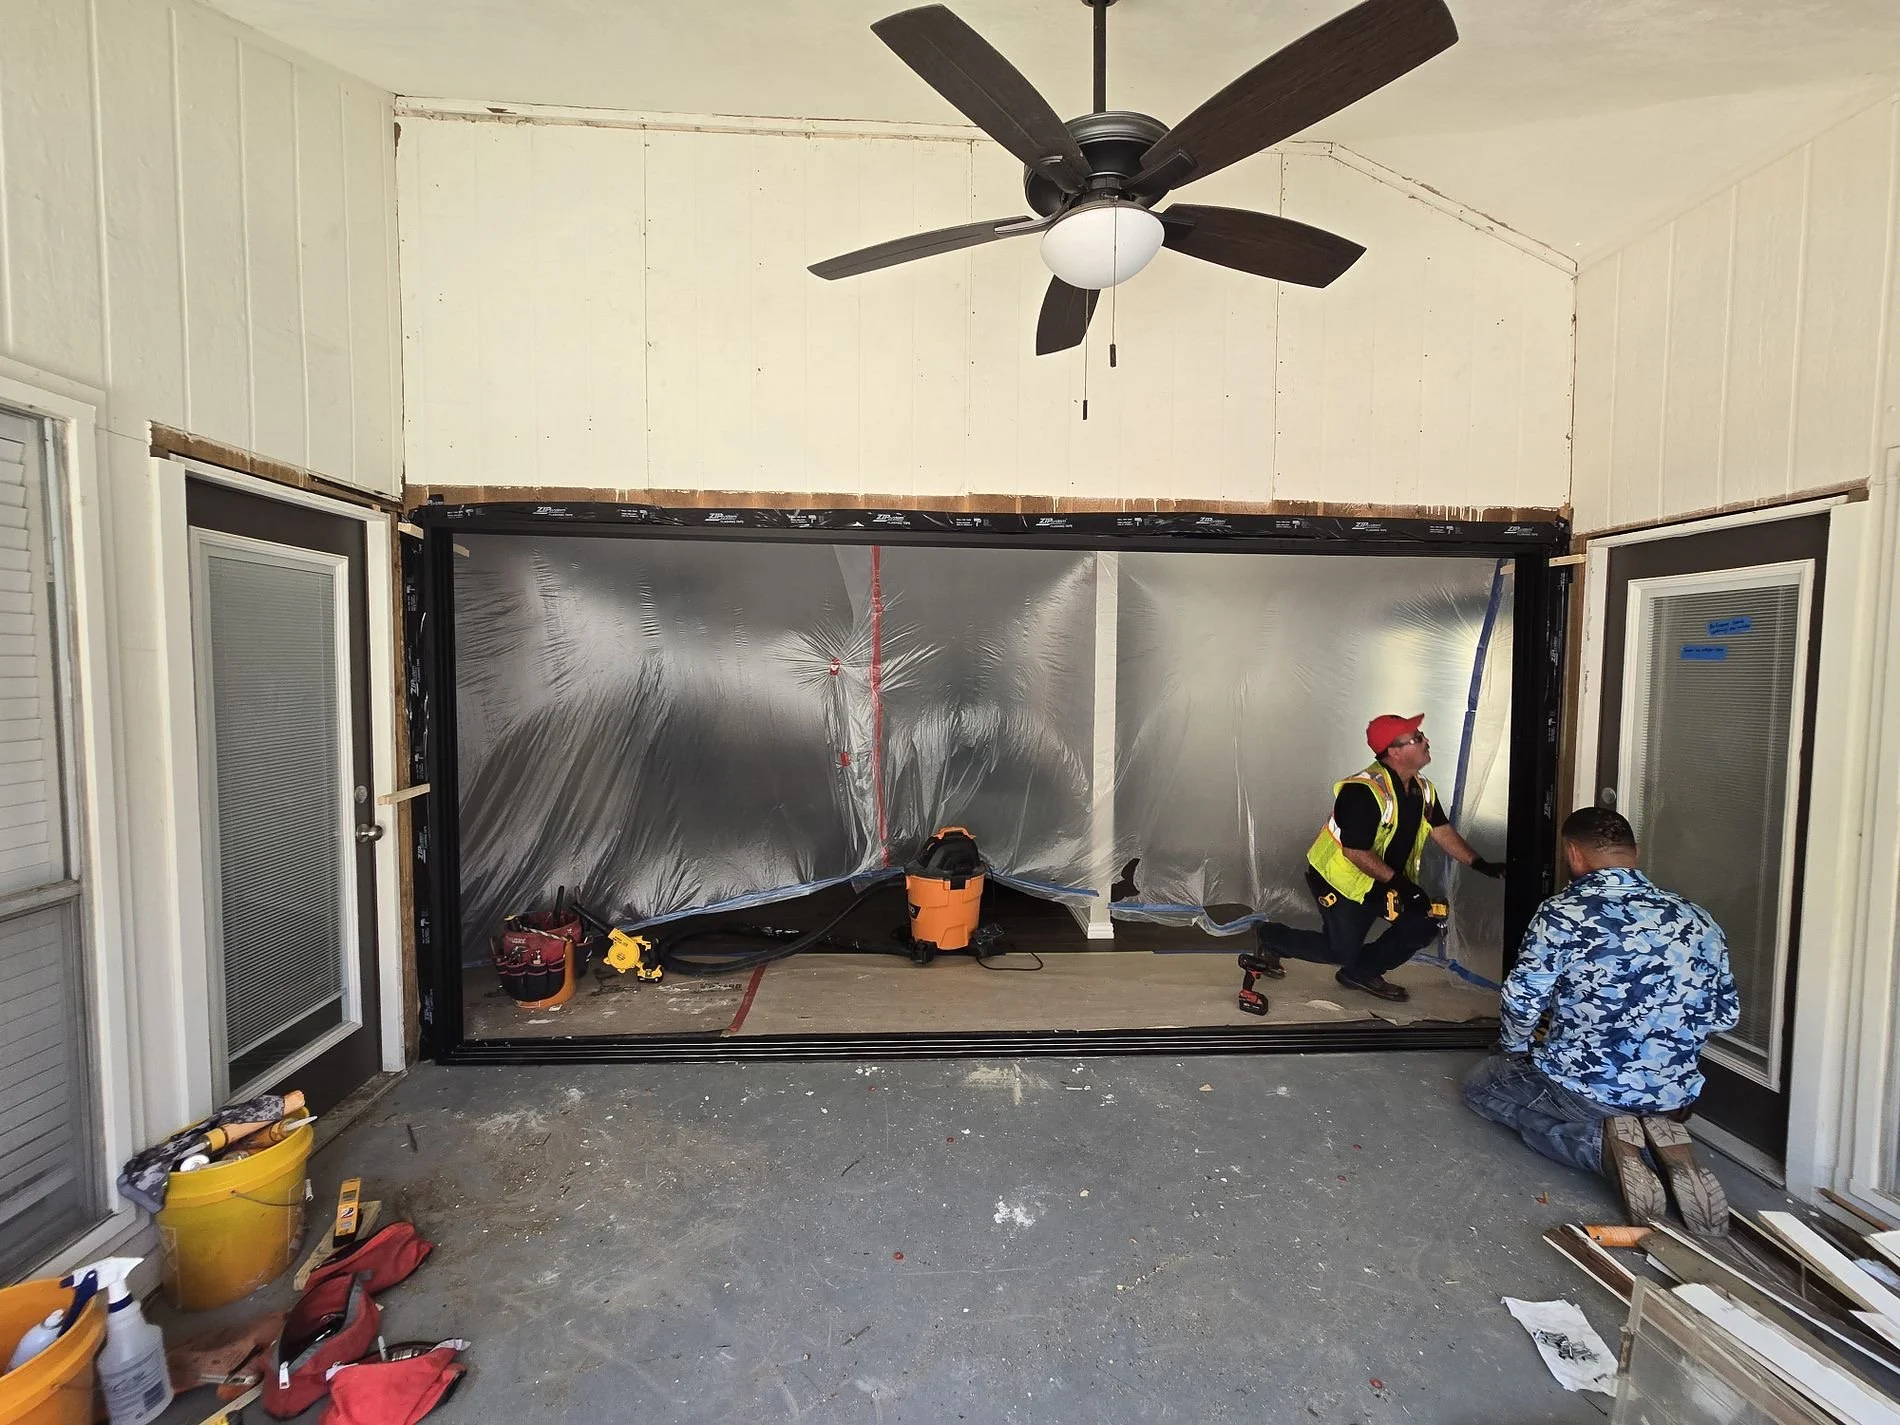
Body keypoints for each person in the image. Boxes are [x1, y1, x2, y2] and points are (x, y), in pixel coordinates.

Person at [1462, 807, 1738, 1235]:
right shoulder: (1698, 918)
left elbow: (1522, 1000)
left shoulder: (1563, 914)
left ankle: (1598, 1147)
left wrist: (1515, 1050)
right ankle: (1656, 1136)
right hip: (1673, 1095)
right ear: (1635, 853)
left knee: (1480, 1087)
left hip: (1586, 1091)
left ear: (1573, 853)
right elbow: (1725, 1015)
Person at [1253, 713, 1503, 1002]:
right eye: (1417, 738)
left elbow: (1441, 830)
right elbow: (1354, 851)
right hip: (1341, 880)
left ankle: (1361, 972)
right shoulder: (1361, 792)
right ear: (1394, 751)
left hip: (1383, 878)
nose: (1426, 740)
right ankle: (1270, 938)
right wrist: (1403, 886)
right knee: (1340, 950)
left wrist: (1480, 864)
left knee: (1421, 925)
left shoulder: (1422, 789)